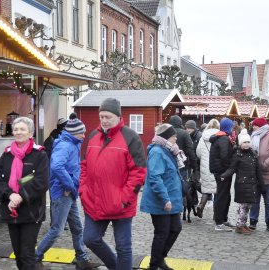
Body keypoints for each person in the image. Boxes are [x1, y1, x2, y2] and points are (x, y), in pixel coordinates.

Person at [80, 98, 146, 270]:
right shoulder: (93, 136)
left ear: (118, 116)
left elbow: (138, 172)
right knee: (90, 238)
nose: (104, 120)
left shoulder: (130, 137)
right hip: (94, 201)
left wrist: (125, 197)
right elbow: (84, 166)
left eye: (108, 116)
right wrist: (83, 190)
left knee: (123, 247)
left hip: (121, 203)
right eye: (101, 116)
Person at [35, 117, 100, 270]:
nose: (84, 135)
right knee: (57, 230)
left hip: (69, 193)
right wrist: (70, 185)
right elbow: (56, 167)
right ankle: (36, 257)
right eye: (82, 133)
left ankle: (81, 259)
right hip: (63, 193)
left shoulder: (72, 144)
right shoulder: (65, 145)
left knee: (77, 228)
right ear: (75, 133)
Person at [0, 117, 49, 270]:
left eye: (22, 129)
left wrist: (20, 196)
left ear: (31, 133)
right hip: (11, 210)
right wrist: (10, 195)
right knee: (18, 253)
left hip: (31, 212)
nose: (18, 132)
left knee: (27, 253)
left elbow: (41, 182)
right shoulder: (6, 155)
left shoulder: (39, 155)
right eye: (16, 129)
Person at [140, 123, 183, 270]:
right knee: (162, 233)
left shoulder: (169, 150)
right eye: (173, 136)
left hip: (172, 198)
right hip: (161, 200)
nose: (176, 138)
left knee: (175, 228)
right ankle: (154, 265)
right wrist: (165, 198)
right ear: (166, 137)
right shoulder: (157, 152)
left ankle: (160, 259)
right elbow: (155, 178)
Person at [220, 129, 264, 235]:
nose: (247, 144)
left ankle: (243, 224)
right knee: (242, 206)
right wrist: (224, 175)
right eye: (244, 142)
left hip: (252, 184)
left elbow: (258, 171)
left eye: (248, 142)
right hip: (242, 184)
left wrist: (262, 184)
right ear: (240, 143)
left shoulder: (253, 154)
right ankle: (239, 226)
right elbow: (232, 168)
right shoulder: (237, 155)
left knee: (248, 206)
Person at [209, 118, 235, 231]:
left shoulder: (219, 137)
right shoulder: (224, 139)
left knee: (225, 195)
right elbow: (225, 156)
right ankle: (219, 222)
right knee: (222, 196)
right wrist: (230, 168)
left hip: (219, 171)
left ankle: (223, 219)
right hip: (222, 172)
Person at [195, 118, 220, 218]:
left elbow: (198, 152)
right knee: (218, 190)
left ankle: (201, 205)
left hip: (205, 166)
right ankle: (216, 213)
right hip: (217, 165)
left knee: (206, 188)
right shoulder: (221, 136)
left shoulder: (202, 137)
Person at [169, 115, 198, 181]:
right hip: (182, 164)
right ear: (180, 122)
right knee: (183, 184)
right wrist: (195, 166)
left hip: (169, 163)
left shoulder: (166, 133)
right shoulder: (184, 133)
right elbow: (190, 150)